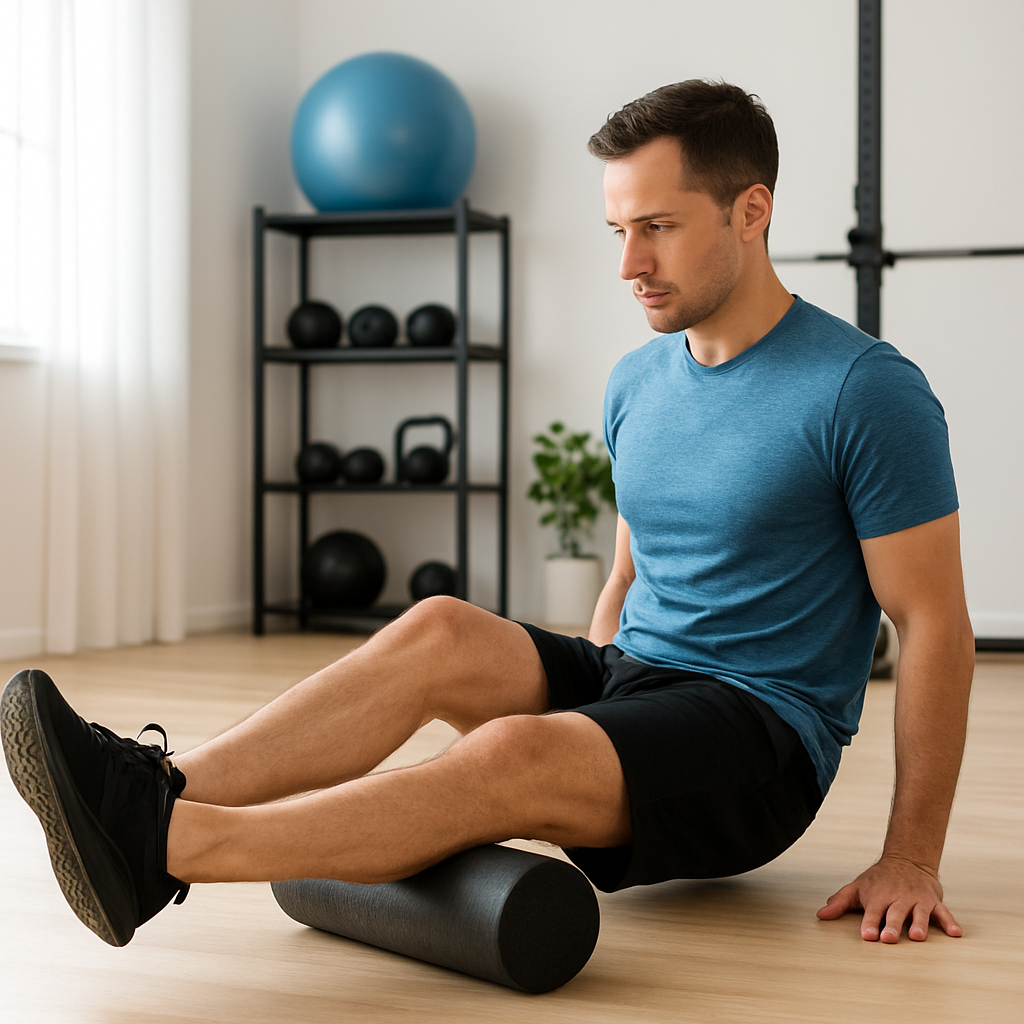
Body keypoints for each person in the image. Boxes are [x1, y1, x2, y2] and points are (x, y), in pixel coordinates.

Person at [1, 80, 973, 952]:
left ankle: (171, 849)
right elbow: (630, 573)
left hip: (757, 737)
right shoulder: (638, 381)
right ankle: (154, 786)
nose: (629, 261)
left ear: (750, 210)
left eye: (659, 227)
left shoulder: (861, 389)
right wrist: (593, 717)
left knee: (507, 749)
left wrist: (911, 857)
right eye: (616, 231)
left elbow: (931, 622)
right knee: (439, 627)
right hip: (637, 681)